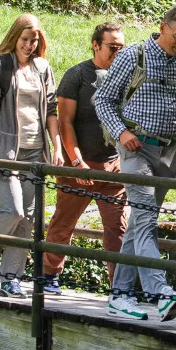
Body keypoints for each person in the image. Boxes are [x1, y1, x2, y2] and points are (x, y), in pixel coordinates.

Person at [93, 6, 176, 321]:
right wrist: (121, 132)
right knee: (145, 220)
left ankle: (120, 295)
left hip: (167, 153)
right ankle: (161, 294)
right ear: (163, 27)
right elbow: (103, 100)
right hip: (135, 148)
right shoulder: (133, 56)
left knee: (139, 223)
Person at [0, 14, 61, 296]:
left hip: (35, 151)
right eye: (25, 40)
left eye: (34, 40)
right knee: (11, 211)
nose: (29, 45)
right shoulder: (0, 66)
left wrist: (56, 146)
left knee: (27, 219)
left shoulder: (42, 68)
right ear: (15, 38)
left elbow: (51, 111)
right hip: (6, 150)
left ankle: (10, 277)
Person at [42, 23, 128, 292]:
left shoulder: (124, 77)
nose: (117, 52)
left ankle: (120, 286)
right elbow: (65, 122)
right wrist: (76, 161)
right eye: (112, 47)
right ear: (95, 44)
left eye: (120, 47)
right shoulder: (77, 75)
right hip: (78, 165)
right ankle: (49, 275)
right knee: (63, 223)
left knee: (118, 229)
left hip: (113, 167)